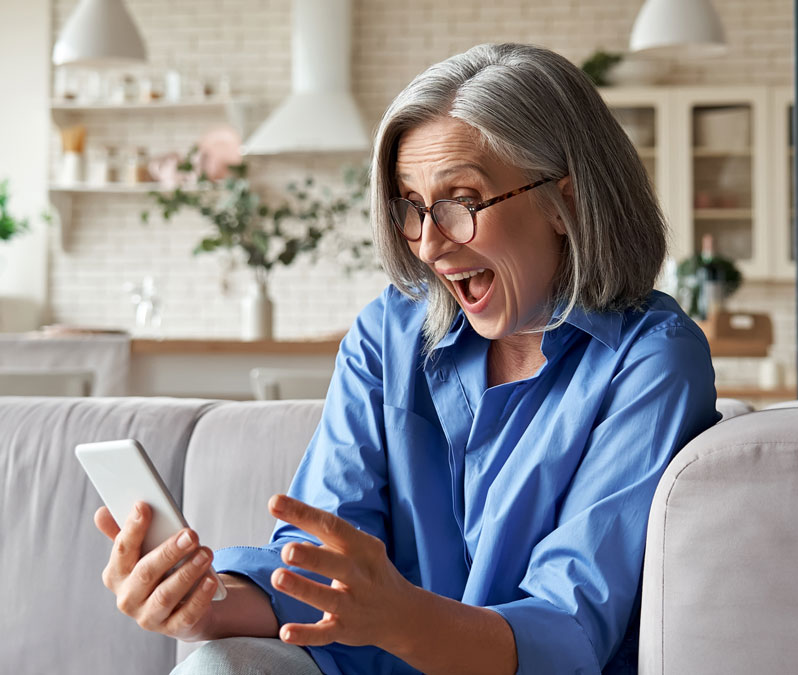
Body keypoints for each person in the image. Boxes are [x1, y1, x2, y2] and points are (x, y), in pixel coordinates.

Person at [93, 43, 720, 675]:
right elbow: (321, 562)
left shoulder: (652, 360)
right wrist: (206, 604)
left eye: (461, 201)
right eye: (410, 207)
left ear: (567, 202)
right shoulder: (388, 335)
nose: (427, 244)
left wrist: (400, 616)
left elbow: (569, 631)